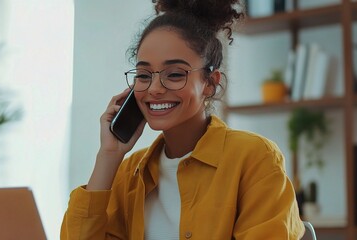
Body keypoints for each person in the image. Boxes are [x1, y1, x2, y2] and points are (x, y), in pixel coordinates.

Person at [61, 0, 305, 239]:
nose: (154, 88)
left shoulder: (255, 157)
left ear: (210, 83)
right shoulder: (129, 174)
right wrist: (109, 155)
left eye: (175, 74)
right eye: (144, 75)